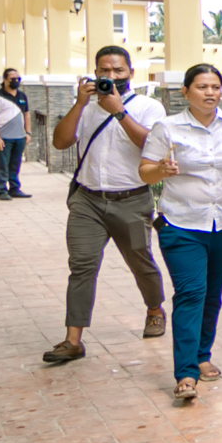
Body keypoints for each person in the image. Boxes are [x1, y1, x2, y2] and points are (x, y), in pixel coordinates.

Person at [140, 64, 222, 401]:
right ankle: (186, 373)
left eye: (215, 86)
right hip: (181, 224)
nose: (210, 93)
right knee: (191, 292)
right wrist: (160, 169)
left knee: (212, 294)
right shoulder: (167, 128)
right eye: (201, 87)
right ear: (185, 92)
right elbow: (145, 172)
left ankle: (203, 354)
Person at [41, 47, 167, 364]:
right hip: (88, 200)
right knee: (81, 266)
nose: (111, 77)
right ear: (95, 73)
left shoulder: (150, 107)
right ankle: (73, 340)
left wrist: (118, 111)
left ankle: (154, 308)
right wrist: (80, 103)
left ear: (130, 74)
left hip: (132, 199)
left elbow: (151, 145)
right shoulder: (86, 107)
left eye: (118, 71)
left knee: (141, 261)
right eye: (104, 71)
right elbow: (60, 142)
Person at [0, 69, 29, 200]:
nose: (16, 81)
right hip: (4, 137)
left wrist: (28, 132)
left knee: (15, 164)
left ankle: (14, 188)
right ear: (5, 79)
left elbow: (27, 114)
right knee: (2, 164)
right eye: (12, 78)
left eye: (18, 78)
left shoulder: (22, 96)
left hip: (20, 137)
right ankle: (1, 190)